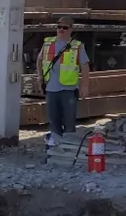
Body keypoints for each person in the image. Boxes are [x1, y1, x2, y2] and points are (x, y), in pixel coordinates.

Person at [37, 16, 90, 146]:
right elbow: (39, 60)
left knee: (69, 121)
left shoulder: (77, 46)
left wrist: (84, 87)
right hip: (51, 89)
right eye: (59, 27)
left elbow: (85, 68)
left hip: (69, 90)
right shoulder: (48, 43)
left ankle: (68, 147)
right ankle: (56, 147)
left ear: (71, 29)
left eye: (65, 27)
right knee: (53, 120)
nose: (61, 30)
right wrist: (40, 77)